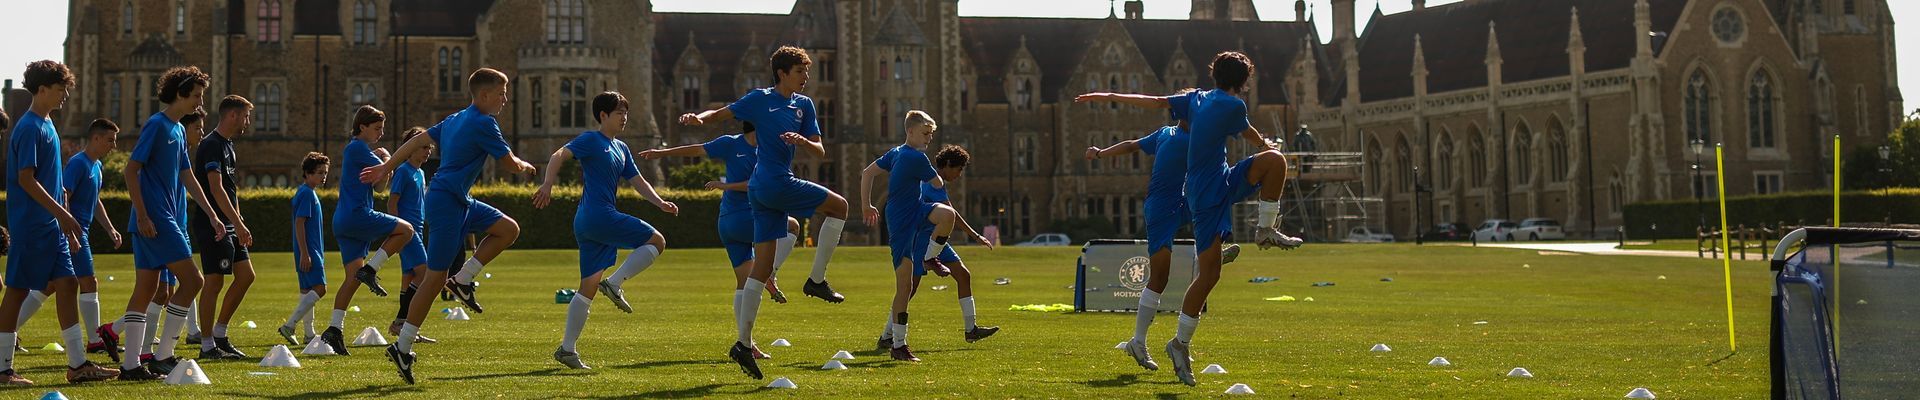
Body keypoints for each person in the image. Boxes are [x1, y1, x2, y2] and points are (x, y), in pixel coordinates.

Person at [1075, 51, 1303, 386]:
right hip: (1199, 196)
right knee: (1197, 275)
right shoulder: (1225, 108)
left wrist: (1109, 96)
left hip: (1208, 186)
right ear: (1243, 82)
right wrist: (1263, 141)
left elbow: (1152, 101)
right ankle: (1173, 342)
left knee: (1274, 161)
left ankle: (1263, 230)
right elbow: (1247, 132)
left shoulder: (1196, 99)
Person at [679, 46, 851, 379]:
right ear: (783, 73)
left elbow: (819, 149)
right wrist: (699, 118)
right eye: (800, 71)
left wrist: (802, 140)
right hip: (772, 183)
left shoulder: (805, 105)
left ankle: (743, 344)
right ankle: (816, 280)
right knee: (840, 206)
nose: (806, 77)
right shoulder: (759, 99)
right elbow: (722, 114)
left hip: (760, 190)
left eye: (807, 71)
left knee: (762, 267)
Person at [358, 68, 537, 384]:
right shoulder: (484, 123)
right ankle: (402, 347)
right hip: (444, 202)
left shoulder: (455, 119)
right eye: (501, 93)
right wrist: (526, 165)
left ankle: (463, 280)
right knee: (433, 278)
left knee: (508, 229)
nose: (505, 99)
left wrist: (386, 165)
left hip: (461, 201)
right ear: (484, 96)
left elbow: (416, 140)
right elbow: (510, 165)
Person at [1083, 94, 1241, 371]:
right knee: (1159, 277)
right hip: (1160, 208)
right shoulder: (1188, 139)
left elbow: (1132, 145)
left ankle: (1211, 251)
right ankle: (1138, 342)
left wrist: (1100, 153)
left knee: (1209, 204)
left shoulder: (1165, 134)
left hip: (1181, 201)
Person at [533, 91, 678, 369]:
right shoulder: (590, 139)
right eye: (618, 113)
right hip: (597, 217)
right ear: (603, 116)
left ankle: (567, 349)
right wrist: (548, 184)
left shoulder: (621, 149)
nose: (624, 118)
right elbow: (558, 154)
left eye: (626, 112)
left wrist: (659, 203)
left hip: (589, 223)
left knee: (586, 288)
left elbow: (638, 181)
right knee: (657, 241)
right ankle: (614, 283)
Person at [2, 60, 122, 385]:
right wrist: (63, 214)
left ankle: (78, 365)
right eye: (60, 89)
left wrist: (65, 219)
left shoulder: (49, 124)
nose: (65, 96)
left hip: (53, 227)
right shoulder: (29, 127)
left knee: (68, 285)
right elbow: (26, 180)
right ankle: (2, 369)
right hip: (32, 225)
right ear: (41, 90)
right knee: (16, 290)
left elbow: (55, 182)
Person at [639, 122, 799, 358]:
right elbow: (758, 185)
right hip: (748, 218)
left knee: (744, 285)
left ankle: (746, 344)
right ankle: (769, 274)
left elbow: (696, 149)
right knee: (792, 225)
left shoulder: (729, 142)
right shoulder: (767, 152)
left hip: (726, 223)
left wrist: (661, 152)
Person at [118, 66, 228, 381]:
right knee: (194, 282)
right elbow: (131, 170)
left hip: (161, 218)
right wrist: (142, 215)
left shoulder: (179, 130)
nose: (199, 101)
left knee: (147, 288)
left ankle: (131, 367)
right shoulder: (156, 125)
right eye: (196, 95)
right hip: (155, 219)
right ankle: (163, 356)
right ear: (180, 93)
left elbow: (186, 175)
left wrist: (211, 212)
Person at [857, 110, 962, 362]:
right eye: (926, 134)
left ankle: (929, 257)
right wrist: (866, 206)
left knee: (947, 216)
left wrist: (866, 205)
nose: (928, 139)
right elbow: (937, 184)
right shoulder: (916, 158)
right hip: (901, 221)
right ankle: (898, 345)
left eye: (931, 134)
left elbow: (867, 173)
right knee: (904, 286)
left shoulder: (895, 152)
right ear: (911, 131)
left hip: (915, 210)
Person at [322, 105, 416, 355]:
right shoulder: (358, 148)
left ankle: (334, 329)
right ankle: (371, 269)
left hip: (344, 221)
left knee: (351, 280)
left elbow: (380, 188)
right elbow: (385, 174)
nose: (380, 133)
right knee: (406, 230)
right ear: (361, 127)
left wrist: (385, 163)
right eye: (376, 128)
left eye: (382, 128)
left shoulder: (360, 151)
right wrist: (387, 159)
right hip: (357, 216)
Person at [889, 144, 998, 350]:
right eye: (958, 169)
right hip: (921, 239)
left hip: (936, 239)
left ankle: (971, 330)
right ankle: (887, 335)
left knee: (963, 276)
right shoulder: (933, 183)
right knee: (907, 289)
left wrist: (974, 236)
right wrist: (975, 235)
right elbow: (951, 213)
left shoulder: (934, 182)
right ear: (947, 165)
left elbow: (950, 213)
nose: (959, 175)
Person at [192, 95, 256, 360]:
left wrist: (239, 221)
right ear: (232, 115)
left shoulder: (229, 146)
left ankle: (220, 334)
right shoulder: (211, 146)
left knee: (246, 276)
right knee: (214, 281)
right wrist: (236, 224)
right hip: (213, 225)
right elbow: (216, 190)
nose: (247, 122)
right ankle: (207, 345)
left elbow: (231, 190)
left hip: (230, 223)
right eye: (245, 116)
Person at [66, 119, 125, 358]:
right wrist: (70, 231)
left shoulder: (97, 166)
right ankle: (95, 340)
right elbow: (64, 195)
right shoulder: (78, 163)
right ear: (96, 138)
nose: (114, 145)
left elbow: (95, 200)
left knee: (48, 286)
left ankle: (9, 331)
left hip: (82, 232)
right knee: (89, 282)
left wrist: (110, 228)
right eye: (110, 140)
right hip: (76, 233)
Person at [384, 127, 438, 345]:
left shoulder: (421, 172)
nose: (427, 152)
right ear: (411, 148)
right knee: (425, 273)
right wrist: (397, 229)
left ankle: (403, 325)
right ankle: (404, 324)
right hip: (407, 232)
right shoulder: (403, 171)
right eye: (424, 147)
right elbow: (392, 202)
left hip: (417, 230)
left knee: (409, 278)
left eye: (429, 148)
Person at [283, 153, 330, 352]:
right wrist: (305, 253)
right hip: (310, 251)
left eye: (325, 173)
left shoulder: (306, 192)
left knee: (306, 291)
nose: (323, 177)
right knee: (320, 288)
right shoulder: (307, 194)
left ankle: (309, 333)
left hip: (308, 250)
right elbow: (299, 223)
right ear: (307, 173)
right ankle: (289, 325)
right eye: (319, 173)